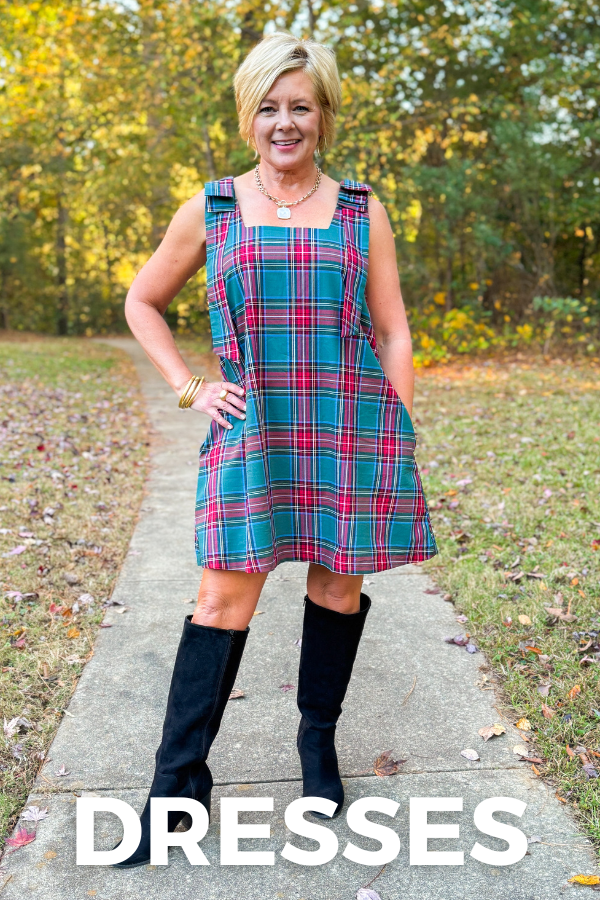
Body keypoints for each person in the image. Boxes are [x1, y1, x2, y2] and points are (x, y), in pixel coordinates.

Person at [113, 31, 437, 868]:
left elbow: (395, 327)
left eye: (301, 106)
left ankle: (316, 747)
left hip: (348, 431)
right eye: (269, 107)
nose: (284, 122)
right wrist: (190, 386)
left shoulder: (363, 209)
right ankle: (176, 784)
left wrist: (391, 425)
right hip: (252, 435)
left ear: (324, 116)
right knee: (221, 601)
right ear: (248, 117)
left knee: (336, 590)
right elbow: (143, 301)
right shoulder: (213, 208)